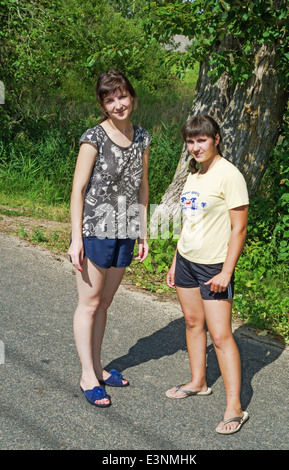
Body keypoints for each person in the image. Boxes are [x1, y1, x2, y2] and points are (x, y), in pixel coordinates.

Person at [68, 69, 151, 407]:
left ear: (132, 96)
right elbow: (78, 189)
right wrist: (77, 238)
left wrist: (143, 232)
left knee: (104, 303)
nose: (118, 104)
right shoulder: (94, 137)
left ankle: (99, 368)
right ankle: (87, 374)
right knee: (88, 303)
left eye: (122, 96)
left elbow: (142, 186)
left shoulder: (143, 137)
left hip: (126, 230)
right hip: (94, 230)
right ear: (103, 104)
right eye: (110, 99)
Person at [165, 115, 249, 435]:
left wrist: (227, 271)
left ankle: (235, 408)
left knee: (220, 335)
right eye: (190, 141)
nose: (195, 147)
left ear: (215, 139)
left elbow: (239, 229)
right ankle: (198, 382)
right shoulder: (194, 174)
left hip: (214, 266)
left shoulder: (230, 175)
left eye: (201, 140)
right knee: (191, 322)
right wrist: (175, 261)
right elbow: (189, 223)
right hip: (187, 260)